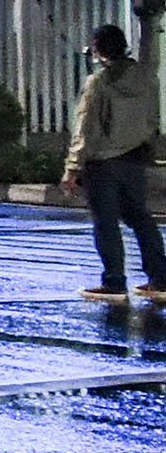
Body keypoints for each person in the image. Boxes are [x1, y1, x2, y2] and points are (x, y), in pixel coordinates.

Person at [64, 21, 166, 301]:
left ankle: (114, 281)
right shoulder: (147, 77)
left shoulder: (98, 82)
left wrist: (72, 167)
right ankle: (160, 277)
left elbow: (85, 128)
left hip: (103, 163)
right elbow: (153, 118)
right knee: (140, 218)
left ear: (97, 51)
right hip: (135, 157)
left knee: (105, 222)